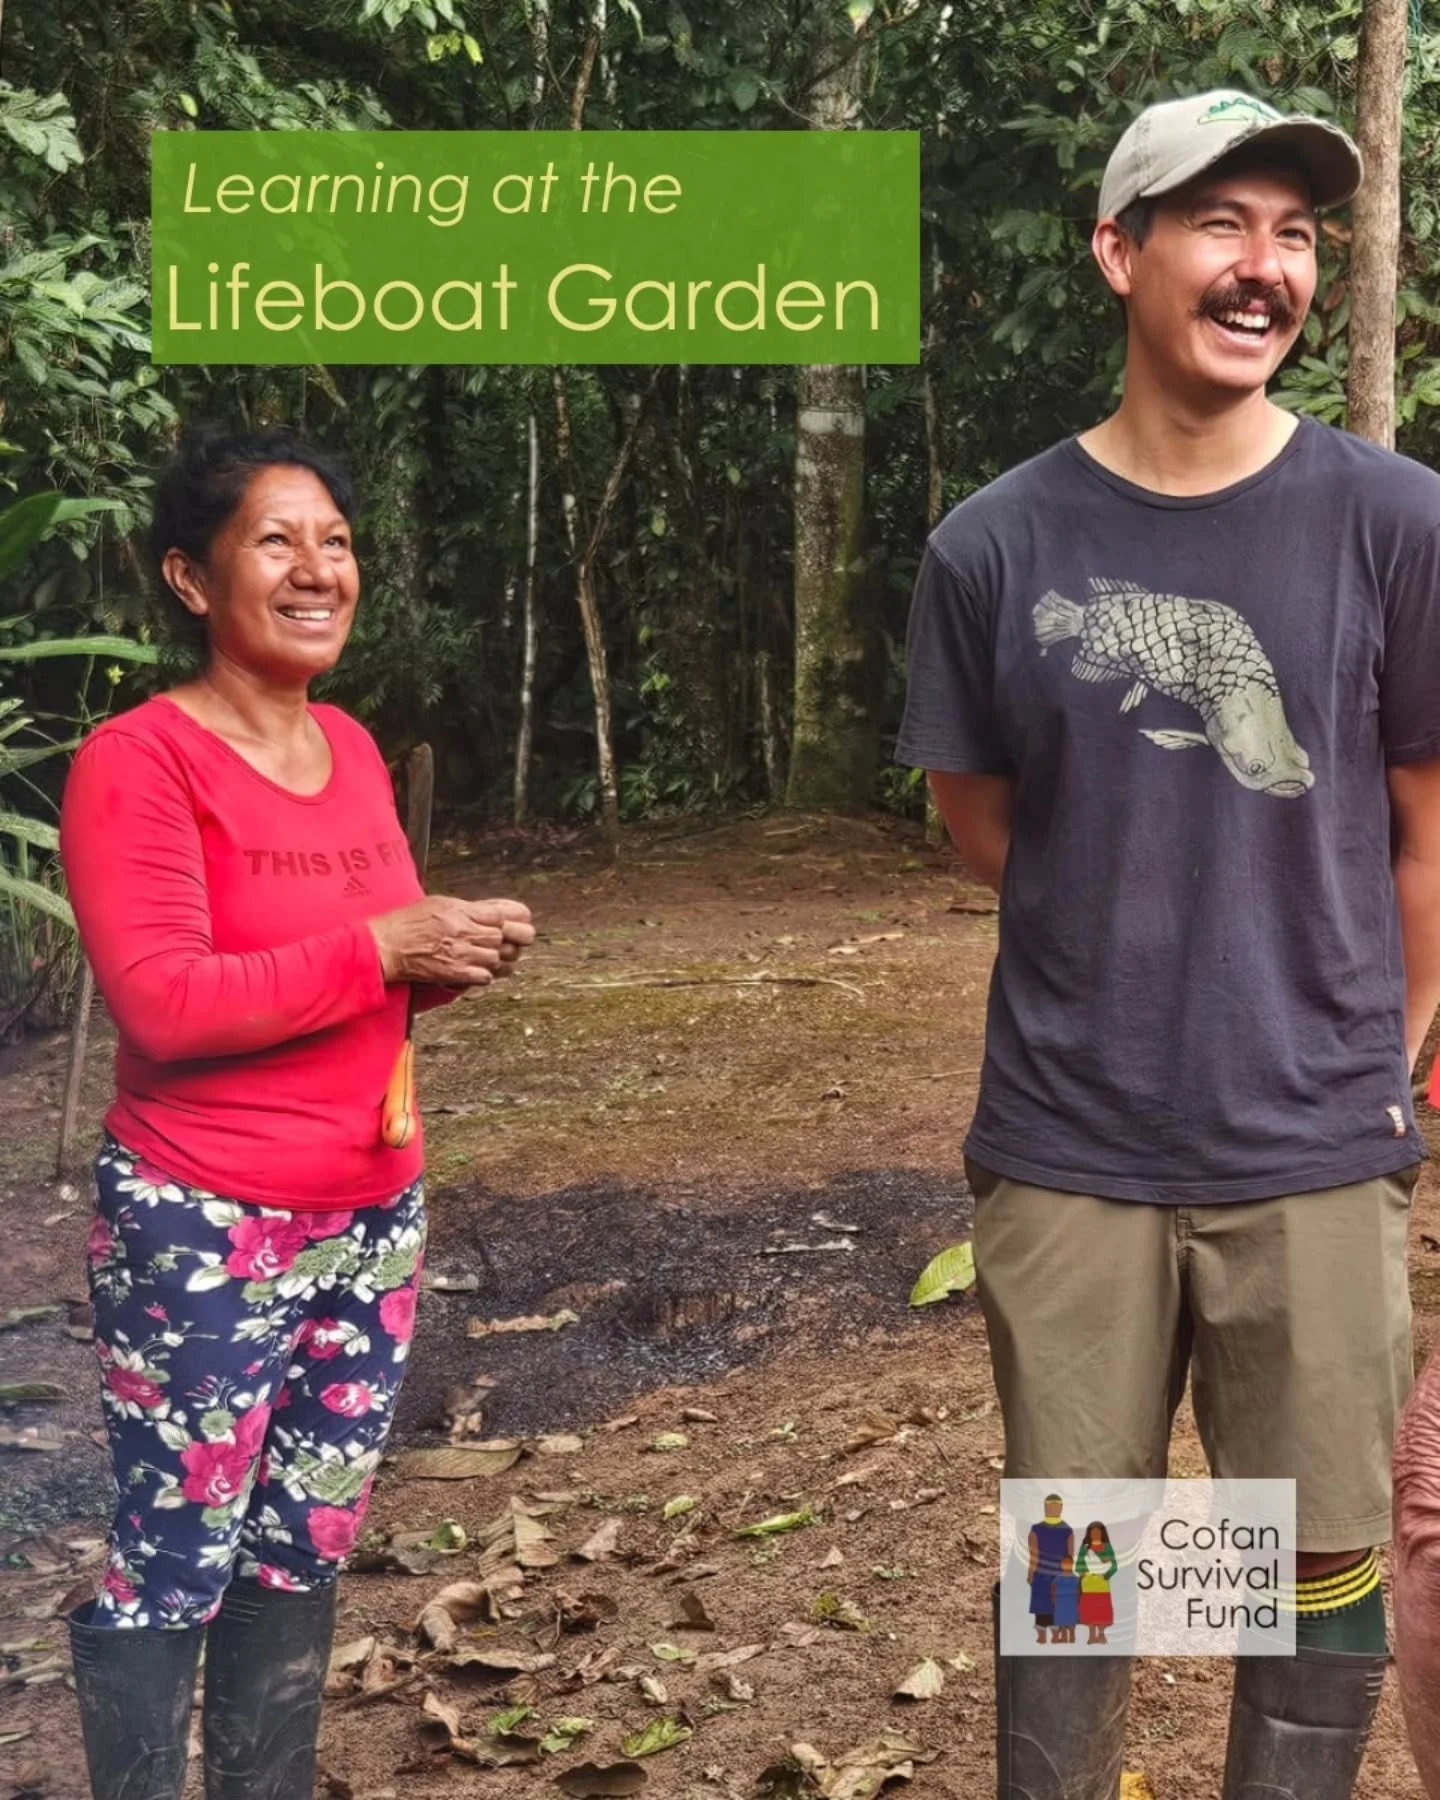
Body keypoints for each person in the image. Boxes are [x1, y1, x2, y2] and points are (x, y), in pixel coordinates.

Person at [898, 88, 1440, 1800]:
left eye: (1291, 233)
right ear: (1120, 252)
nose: (1262, 267)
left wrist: (1380, 1048)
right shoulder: (993, 548)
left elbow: (1429, 826)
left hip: (1316, 1137)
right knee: (1085, 1556)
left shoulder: (1396, 524)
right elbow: (988, 831)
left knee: (1320, 1558)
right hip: (1074, 1146)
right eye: (1221, 223)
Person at [58, 424, 536, 1800]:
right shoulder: (140, 761)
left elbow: (339, 981)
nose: (317, 567)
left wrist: (439, 962)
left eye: (334, 540)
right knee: (177, 1554)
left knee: (305, 1541)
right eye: (276, 540)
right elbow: (166, 1002)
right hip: (202, 1223)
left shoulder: (352, 748)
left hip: (370, 1216)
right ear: (191, 580)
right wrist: (388, 948)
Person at [1027, 1492, 1075, 1643]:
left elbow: (1033, 1557)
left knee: (1044, 1605)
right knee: (1052, 1605)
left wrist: (1030, 1574)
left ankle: (1046, 1636)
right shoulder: (1067, 1530)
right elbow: (1070, 1556)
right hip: (1054, 1575)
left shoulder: (1037, 1530)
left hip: (1043, 1575)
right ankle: (1051, 1635)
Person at [1075, 1523, 1116, 1646]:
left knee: (1102, 1609)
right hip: (1088, 1584)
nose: (1095, 1535)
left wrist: (1106, 1575)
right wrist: (1083, 1574)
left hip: (1102, 1584)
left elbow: (1113, 1564)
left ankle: (1102, 1634)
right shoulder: (1085, 1548)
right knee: (1090, 1610)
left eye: (1098, 1532)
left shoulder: (1107, 1547)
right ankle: (1092, 1635)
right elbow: (1079, 1564)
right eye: (1093, 1533)